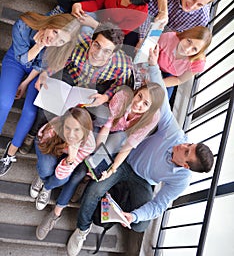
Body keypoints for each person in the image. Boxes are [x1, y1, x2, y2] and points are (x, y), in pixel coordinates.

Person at [65, 46, 214, 256]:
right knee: (94, 191)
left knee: (140, 226)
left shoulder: (181, 180)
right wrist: (153, 65)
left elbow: (159, 205)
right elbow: (160, 100)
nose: (184, 145)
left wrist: (134, 216)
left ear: (186, 165)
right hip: (126, 161)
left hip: (144, 181)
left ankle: (118, 203)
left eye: (187, 151)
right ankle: (82, 229)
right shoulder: (176, 134)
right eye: (190, 144)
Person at [35, 81, 164, 240]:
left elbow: (128, 146)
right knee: (82, 165)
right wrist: (94, 154)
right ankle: (57, 179)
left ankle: (57, 211)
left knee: (83, 171)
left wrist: (112, 168)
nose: (138, 103)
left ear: (150, 109)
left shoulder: (151, 119)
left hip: (119, 138)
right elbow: (107, 127)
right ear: (136, 91)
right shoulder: (123, 97)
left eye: (145, 104)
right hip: (101, 128)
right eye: (139, 96)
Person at [20, 22, 133, 155]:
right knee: (48, 100)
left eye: (106, 51)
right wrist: (46, 73)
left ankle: (66, 136)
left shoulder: (123, 65)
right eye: (97, 45)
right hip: (72, 76)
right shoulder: (78, 42)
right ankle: (33, 133)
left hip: (92, 87)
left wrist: (105, 97)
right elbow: (62, 60)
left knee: (99, 116)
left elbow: (120, 84)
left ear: (113, 54)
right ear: (91, 41)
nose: (98, 54)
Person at [0, 13, 81, 176]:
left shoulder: (59, 49)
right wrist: (39, 45)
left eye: (61, 41)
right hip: (17, 60)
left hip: (37, 72)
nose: (54, 40)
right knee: (4, 102)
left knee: (30, 112)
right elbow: (22, 59)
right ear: (52, 22)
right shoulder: (24, 24)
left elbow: (42, 66)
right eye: (55, 32)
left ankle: (11, 152)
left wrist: (24, 83)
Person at [30, 107, 95, 212]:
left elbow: (61, 175)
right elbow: (45, 146)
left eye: (77, 129)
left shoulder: (89, 144)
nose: (71, 134)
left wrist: (71, 158)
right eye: (67, 128)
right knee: (46, 168)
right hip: (48, 144)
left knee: (62, 179)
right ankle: (42, 177)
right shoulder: (54, 129)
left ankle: (46, 187)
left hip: (67, 152)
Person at [138, 0, 218, 46]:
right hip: (150, 23)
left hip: (169, 41)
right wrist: (142, 38)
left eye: (199, 5)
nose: (192, 6)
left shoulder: (201, 19)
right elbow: (148, 13)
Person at [156, 26, 212, 98]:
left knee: (163, 100)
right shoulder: (168, 37)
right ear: (186, 34)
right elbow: (149, 54)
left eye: (194, 49)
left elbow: (180, 79)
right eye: (189, 41)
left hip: (170, 76)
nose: (187, 49)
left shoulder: (197, 64)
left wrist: (158, 83)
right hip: (154, 63)